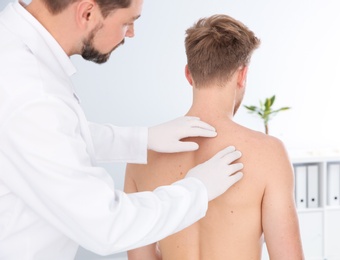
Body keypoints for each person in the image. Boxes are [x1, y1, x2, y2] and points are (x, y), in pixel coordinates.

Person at [0, 0, 245, 259]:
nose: (131, 34)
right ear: (87, 12)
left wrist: (141, 139)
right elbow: (106, 226)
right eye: (128, 22)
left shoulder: (13, 50)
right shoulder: (31, 93)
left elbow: (46, 137)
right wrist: (198, 190)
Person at [125, 14, 304, 260]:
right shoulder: (268, 153)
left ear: (189, 74)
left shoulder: (142, 153)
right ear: (242, 76)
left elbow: (139, 258)